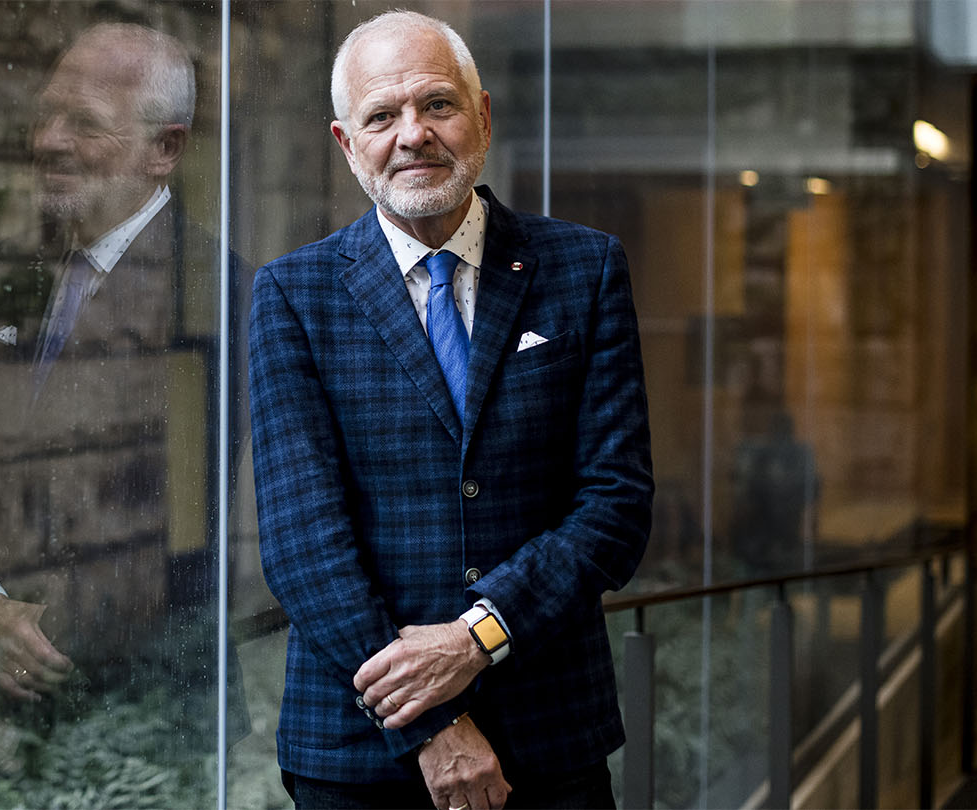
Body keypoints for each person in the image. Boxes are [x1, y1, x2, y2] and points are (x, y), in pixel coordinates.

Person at [248, 11, 653, 810]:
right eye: (381, 116)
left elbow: (616, 506)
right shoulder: (294, 295)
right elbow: (303, 545)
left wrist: (480, 636)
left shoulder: (585, 267)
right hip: (360, 756)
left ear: (483, 115)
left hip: (550, 735)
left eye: (437, 104)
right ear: (345, 142)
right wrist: (432, 725)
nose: (413, 135)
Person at [0, 21, 243, 777]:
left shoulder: (215, 294)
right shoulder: (16, 272)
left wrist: (27, 647)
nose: (48, 141)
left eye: (86, 124)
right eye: (46, 115)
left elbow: (167, 527)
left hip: (142, 726)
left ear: (164, 149)